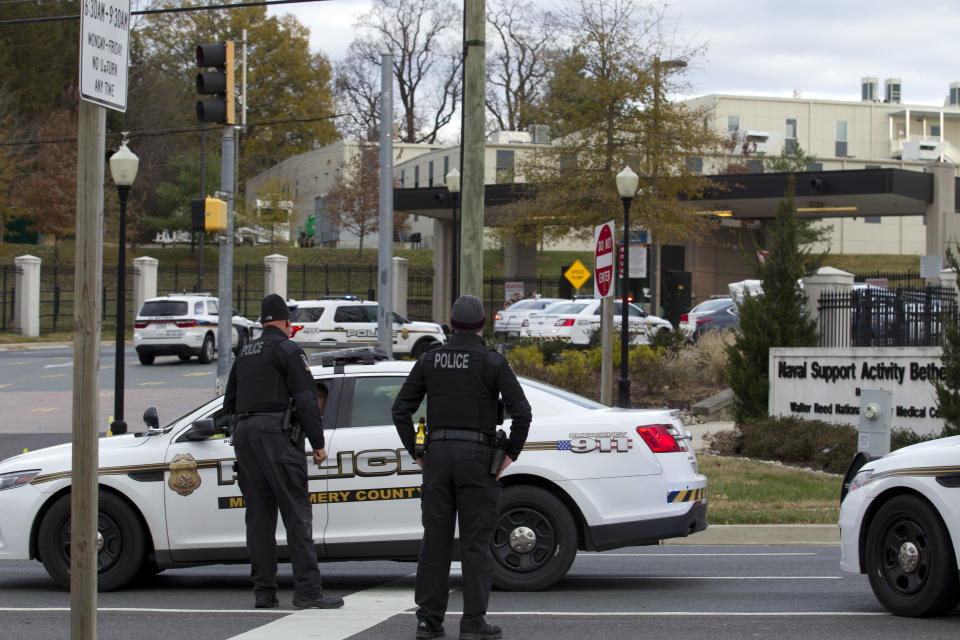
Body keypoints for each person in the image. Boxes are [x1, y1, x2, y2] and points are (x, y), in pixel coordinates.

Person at [392, 295, 532, 640]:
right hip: (477, 458)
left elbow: (400, 410)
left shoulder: (430, 360)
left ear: (451, 324)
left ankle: (428, 621)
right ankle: (472, 624)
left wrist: (417, 451)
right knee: (475, 543)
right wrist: (509, 454)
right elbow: (522, 413)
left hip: (437, 456)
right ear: (482, 324)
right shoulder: (492, 362)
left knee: (435, 542)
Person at [224, 293, 344, 610]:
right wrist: (317, 443)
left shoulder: (245, 353)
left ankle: (264, 593)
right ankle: (308, 591)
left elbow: (228, 406)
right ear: (285, 321)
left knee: (259, 520)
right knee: (296, 512)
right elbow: (306, 399)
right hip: (275, 436)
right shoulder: (288, 350)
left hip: (244, 436)